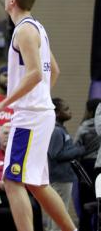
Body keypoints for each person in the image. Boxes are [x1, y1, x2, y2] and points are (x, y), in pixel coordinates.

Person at [0, 0, 76, 231]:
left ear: (12, 1)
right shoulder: (39, 29)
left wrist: (4, 103)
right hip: (39, 113)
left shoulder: (24, 30)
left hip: (32, 116)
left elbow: (35, 73)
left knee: (13, 181)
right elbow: (52, 71)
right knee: (36, 184)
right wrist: (39, 100)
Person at [45, 98, 84, 231]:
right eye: (66, 109)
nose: (70, 112)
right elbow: (55, 154)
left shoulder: (61, 129)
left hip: (64, 177)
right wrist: (78, 150)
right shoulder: (56, 131)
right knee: (60, 213)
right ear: (56, 113)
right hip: (60, 178)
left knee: (57, 212)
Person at [75, 99, 101, 231]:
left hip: (86, 165)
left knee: (85, 200)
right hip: (98, 164)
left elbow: (76, 147)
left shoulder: (84, 127)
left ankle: (84, 228)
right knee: (97, 201)